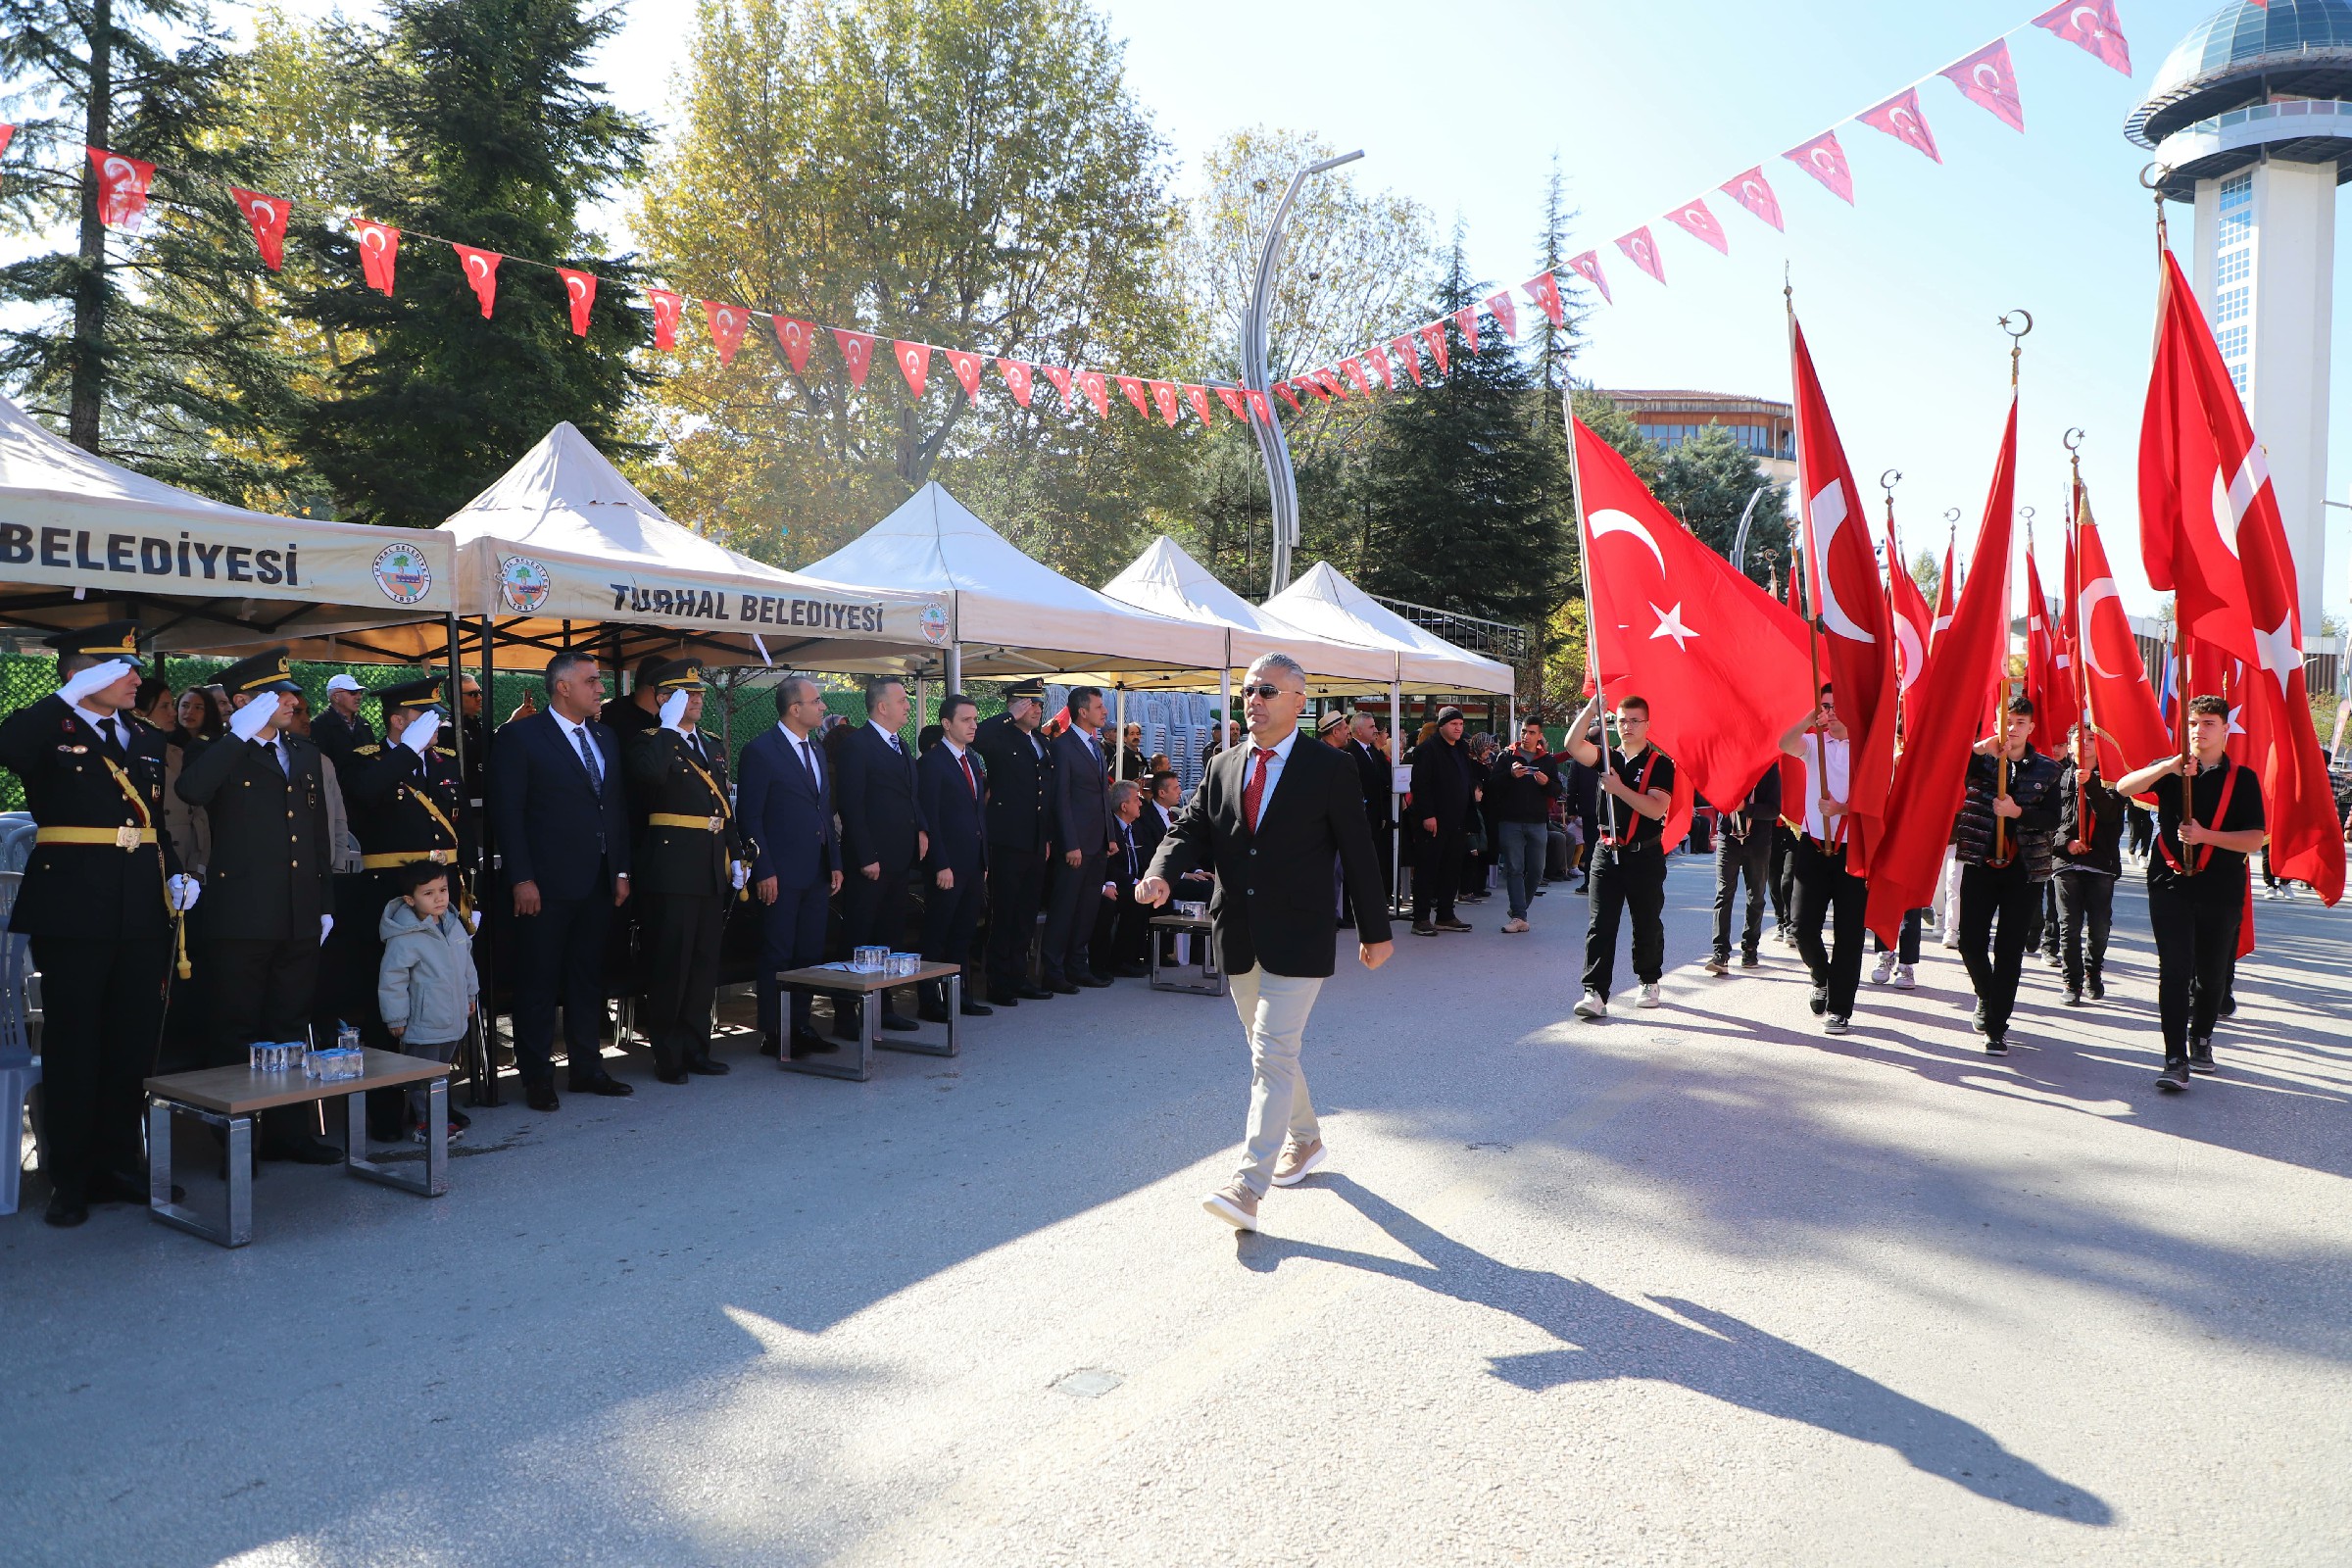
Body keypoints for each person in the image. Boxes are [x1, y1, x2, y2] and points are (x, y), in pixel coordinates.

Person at [1137, 653, 1394, 1232]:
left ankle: (1247, 1186)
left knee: (1271, 1054)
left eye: (1269, 691)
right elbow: (1189, 830)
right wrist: (1161, 873)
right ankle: (1307, 1139)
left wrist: (1375, 931)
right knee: (1268, 1051)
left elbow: (1358, 852)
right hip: (1239, 930)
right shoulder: (1224, 764)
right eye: (1250, 690)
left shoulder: (1329, 768)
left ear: (1300, 703)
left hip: (1300, 932)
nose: (1255, 699)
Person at [0, 623, 196, 1226]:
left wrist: (176, 874)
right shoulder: (47, 726)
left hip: (139, 903)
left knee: (130, 1040)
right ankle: (71, 1177)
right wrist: (61, 699)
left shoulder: (141, 736)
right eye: (123, 669)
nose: (139, 679)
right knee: (74, 1041)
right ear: (82, 674)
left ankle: (119, 1162)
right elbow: (7, 750)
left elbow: (153, 821)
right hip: (73, 905)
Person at [176, 647, 341, 1163]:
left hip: (297, 910)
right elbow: (192, 790)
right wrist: (237, 733)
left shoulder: (305, 753)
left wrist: (325, 900)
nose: (293, 702)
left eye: (293, 693)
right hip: (242, 914)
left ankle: (291, 1132)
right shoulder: (219, 751)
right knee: (236, 1028)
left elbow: (317, 836)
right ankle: (236, 1143)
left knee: (290, 1024)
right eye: (280, 694)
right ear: (243, 701)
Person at [489, 650, 635, 1109]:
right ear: (563, 687)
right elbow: (507, 815)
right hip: (545, 884)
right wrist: (522, 878)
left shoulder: (606, 737)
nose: (600, 688)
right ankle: (536, 1075)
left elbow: (614, 807)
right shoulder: (521, 737)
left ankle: (587, 1068)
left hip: (596, 878)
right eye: (592, 681)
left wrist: (621, 868)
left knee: (586, 978)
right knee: (539, 980)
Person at [339, 675, 469, 1138]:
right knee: (390, 1006)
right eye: (422, 717)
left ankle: (433, 1103)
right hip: (389, 898)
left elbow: (461, 829)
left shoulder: (446, 762)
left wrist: (465, 891)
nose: (435, 726)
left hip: (440, 894)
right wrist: (405, 752)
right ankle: (385, 1108)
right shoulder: (367, 761)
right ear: (397, 721)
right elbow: (364, 794)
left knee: (440, 996)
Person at [2115, 697, 2266, 1091]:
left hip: (2221, 888)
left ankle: (2201, 1037)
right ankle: (2174, 1058)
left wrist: (2205, 837)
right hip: (2170, 884)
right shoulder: (2171, 770)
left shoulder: (2243, 779)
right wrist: (2168, 765)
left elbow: (2254, 838)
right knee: (2175, 969)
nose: (2200, 730)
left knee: (2212, 975)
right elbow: (2123, 786)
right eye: (2194, 723)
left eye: (2210, 723)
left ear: (2225, 729)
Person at [623, 660, 743, 1083]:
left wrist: (735, 855)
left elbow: (722, 808)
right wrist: (669, 727)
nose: (696, 700)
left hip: (710, 866)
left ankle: (696, 1047)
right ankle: (667, 1054)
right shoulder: (649, 740)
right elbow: (649, 777)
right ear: (662, 700)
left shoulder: (711, 744)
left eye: (698, 693)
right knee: (670, 965)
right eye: (684, 694)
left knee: (702, 964)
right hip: (672, 870)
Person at [738, 674, 843, 1059]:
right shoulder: (760, 750)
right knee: (778, 953)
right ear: (794, 708)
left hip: (815, 870)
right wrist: (763, 869)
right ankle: (774, 1030)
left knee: (809, 953)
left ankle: (801, 1024)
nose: (823, 707)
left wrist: (834, 861)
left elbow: (823, 809)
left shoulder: (815, 749)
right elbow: (750, 817)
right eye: (817, 701)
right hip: (779, 873)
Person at [1953, 694, 2063, 1057]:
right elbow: (1948, 770)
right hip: (1980, 861)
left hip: (2025, 870)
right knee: (1969, 941)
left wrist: (2018, 812)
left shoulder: (2048, 769)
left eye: (2019, 722)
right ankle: (1988, 996)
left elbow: (2052, 820)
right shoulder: (1981, 761)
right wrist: (1977, 748)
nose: (2011, 729)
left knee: (2009, 950)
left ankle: (1997, 1026)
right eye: (2006, 721)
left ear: (2031, 727)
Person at [1564, 693, 1675, 1019]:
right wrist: (1592, 708)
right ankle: (1595, 992)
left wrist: (1619, 789)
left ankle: (1649, 979)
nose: (1627, 726)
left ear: (1647, 725)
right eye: (1621, 720)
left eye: (1634, 720)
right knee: (1601, 924)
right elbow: (1573, 745)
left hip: (1644, 854)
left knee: (1646, 921)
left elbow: (1655, 808)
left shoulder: (1660, 764)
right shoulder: (1607, 757)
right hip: (1605, 850)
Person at [835, 677, 929, 1035]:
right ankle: (846, 1013)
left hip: (898, 857)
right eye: (903, 700)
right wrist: (866, 854)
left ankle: (883, 1007)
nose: (908, 705)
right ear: (882, 706)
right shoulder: (857, 746)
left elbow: (909, 795)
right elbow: (852, 805)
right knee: (859, 934)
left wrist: (920, 828)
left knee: (890, 934)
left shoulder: (899, 745)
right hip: (870, 860)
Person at [1781, 687, 1867, 1036]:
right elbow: (1786, 744)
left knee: (1849, 934)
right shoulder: (1814, 744)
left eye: (1833, 707)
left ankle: (1840, 1008)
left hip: (1852, 849)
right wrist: (1808, 718)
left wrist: (1843, 809)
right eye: (1824, 707)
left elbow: (1881, 800)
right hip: (1813, 846)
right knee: (1801, 926)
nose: (1828, 714)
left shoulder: (1865, 749)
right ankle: (1821, 975)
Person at [376, 859, 478, 1142]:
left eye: (443, 890)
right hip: (423, 1022)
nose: (439, 898)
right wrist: (396, 1017)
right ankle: (426, 1124)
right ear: (410, 899)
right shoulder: (405, 936)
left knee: (441, 1072)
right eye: (429, 893)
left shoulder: (453, 924)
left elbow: (466, 963)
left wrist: (471, 994)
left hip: (452, 1017)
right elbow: (392, 979)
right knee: (423, 1075)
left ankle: (437, 1118)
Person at [973, 681, 1055, 1007]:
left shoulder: (1040, 741)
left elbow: (1045, 794)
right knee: (1003, 912)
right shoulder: (1000, 736)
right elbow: (978, 738)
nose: (1036, 709)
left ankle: (1019, 976)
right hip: (1007, 838)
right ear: (1014, 705)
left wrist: (1046, 836)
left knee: (1025, 912)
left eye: (1038, 704)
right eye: (1029, 703)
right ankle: (998, 980)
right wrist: (1007, 716)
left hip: (1035, 840)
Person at [915, 693, 991, 1021]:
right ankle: (930, 1000)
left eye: (975, 719)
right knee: (937, 933)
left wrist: (983, 861)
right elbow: (929, 818)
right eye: (966, 720)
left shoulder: (972, 760)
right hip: (947, 864)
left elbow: (977, 814)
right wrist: (940, 863)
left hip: (973, 863)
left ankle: (960, 997)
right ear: (947, 724)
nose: (973, 725)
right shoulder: (932, 764)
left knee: (963, 932)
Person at [1041, 684, 1114, 991]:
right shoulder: (1063, 745)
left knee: (1087, 908)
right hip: (1075, 844)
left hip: (1097, 841)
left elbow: (1100, 795)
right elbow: (1061, 799)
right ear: (1082, 712)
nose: (1105, 712)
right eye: (1099, 707)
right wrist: (1070, 843)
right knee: (1065, 907)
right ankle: (1054, 971)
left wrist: (1111, 836)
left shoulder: (1094, 745)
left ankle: (1077, 966)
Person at [2053, 723, 2124, 1007]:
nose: (2084, 744)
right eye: (2078, 740)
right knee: (2069, 926)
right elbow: (2048, 823)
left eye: (2091, 739)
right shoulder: (2055, 779)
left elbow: (2111, 819)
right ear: (2069, 747)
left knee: (2099, 926)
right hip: (2066, 862)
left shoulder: (2114, 781)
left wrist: (2091, 785)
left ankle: (2093, 971)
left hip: (2100, 863)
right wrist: (2066, 843)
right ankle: (2071, 981)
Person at [1704, 764, 1780, 974]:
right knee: (1723, 893)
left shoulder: (1768, 767)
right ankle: (1720, 954)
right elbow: (1712, 795)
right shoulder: (1726, 763)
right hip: (1728, 836)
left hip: (1758, 840)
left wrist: (1745, 807)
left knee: (1755, 895)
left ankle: (1750, 948)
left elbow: (1774, 809)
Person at [1408, 706, 1477, 936]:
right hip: (1434, 821)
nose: (1458, 728)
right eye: (1453, 724)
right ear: (1442, 726)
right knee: (1428, 869)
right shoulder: (1427, 749)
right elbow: (1420, 785)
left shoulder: (1460, 749)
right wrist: (1428, 815)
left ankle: (1445, 915)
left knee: (1451, 869)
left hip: (1457, 821)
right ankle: (1421, 918)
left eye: (1461, 724)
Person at [1487, 719, 1558, 934]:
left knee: (1536, 870)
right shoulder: (1507, 756)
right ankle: (1519, 915)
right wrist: (1510, 775)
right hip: (1510, 821)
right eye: (1524, 731)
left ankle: (1519, 909)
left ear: (1539, 735)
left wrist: (1547, 784)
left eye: (1531, 732)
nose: (1526, 735)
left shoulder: (1547, 761)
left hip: (1537, 822)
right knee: (1515, 869)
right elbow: (1492, 786)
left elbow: (1557, 790)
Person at [1093, 779, 1151, 977]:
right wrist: (1136, 883)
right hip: (1111, 884)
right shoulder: (1109, 829)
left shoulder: (1137, 828)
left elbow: (1146, 859)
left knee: (1146, 898)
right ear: (1124, 806)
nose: (1141, 803)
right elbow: (1110, 866)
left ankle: (1134, 957)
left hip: (1131, 883)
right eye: (1137, 800)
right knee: (1126, 903)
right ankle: (1110, 962)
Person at [1347, 712, 1396, 909]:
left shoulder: (1372, 752)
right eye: (1371, 727)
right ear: (1359, 730)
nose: (1375, 730)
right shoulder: (1350, 753)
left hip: (1376, 817)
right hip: (1362, 816)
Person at [312, 672, 374, 771]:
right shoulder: (319, 725)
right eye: (353, 692)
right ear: (336, 697)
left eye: (360, 692)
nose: (359, 697)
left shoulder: (364, 724)